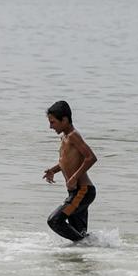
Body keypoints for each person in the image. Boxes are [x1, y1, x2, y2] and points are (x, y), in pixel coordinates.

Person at [42, 100, 97, 243]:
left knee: (54, 220)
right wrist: (53, 170)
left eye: (53, 122)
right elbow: (67, 162)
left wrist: (73, 178)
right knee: (79, 234)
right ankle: (88, 251)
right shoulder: (65, 137)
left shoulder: (73, 135)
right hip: (76, 192)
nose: (50, 126)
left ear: (64, 120)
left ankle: (85, 246)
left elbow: (91, 158)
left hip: (83, 191)